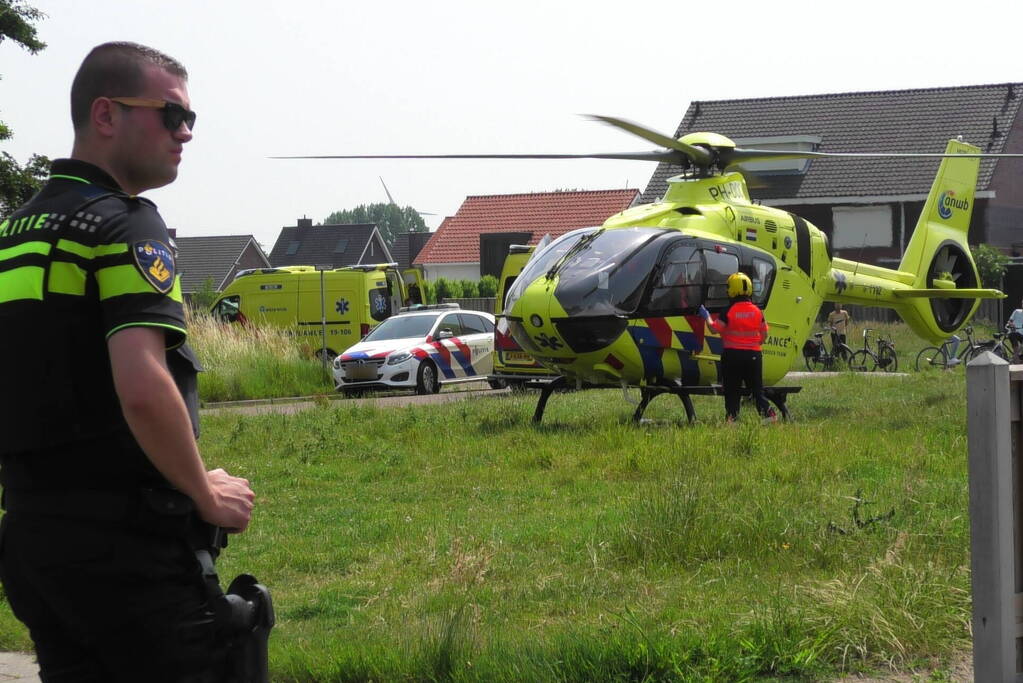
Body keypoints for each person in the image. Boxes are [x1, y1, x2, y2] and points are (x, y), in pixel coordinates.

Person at [0, 42, 255, 681]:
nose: (186, 133)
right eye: (171, 115)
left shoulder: (11, 235)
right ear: (106, 115)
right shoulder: (125, 225)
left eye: (191, 119)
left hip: (34, 545)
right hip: (129, 554)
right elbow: (142, 384)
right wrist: (203, 492)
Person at [699, 273, 775, 422]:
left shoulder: (728, 311)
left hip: (732, 357)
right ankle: (768, 414)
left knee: (732, 390)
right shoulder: (757, 311)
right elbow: (764, 335)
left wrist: (706, 316)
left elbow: (714, 329)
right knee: (757, 390)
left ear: (732, 290)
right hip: (754, 356)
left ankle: (732, 419)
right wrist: (753, 344)